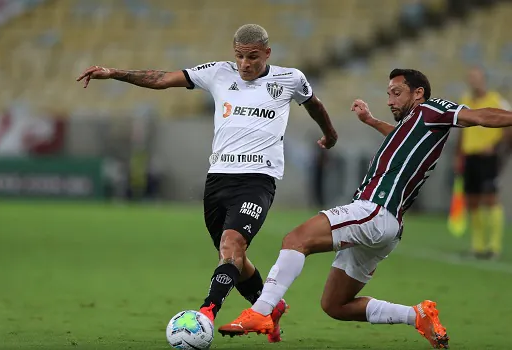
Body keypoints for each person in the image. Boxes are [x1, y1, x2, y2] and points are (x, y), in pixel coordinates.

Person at [76, 24, 338, 343]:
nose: (244, 64)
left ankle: (205, 314)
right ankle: (271, 308)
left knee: (231, 246)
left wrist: (330, 133)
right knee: (234, 260)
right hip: (217, 182)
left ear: (267, 54)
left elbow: (314, 103)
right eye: (239, 56)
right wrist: (114, 72)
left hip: (258, 181)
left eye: (252, 57)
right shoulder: (218, 72)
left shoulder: (290, 79)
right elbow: (162, 79)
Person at [218, 68, 512, 349]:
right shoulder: (414, 126)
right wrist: (371, 121)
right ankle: (417, 316)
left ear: (419, 93)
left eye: (397, 93)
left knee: (296, 240)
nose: (390, 100)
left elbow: (480, 116)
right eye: (388, 93)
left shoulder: (433, 109)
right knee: (335, 305)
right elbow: (397, 139)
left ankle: (261, 310)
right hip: (387, 225)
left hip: (375, 209)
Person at [455, 66, 511, 259]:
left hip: (488, 158)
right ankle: (477, 247)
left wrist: (496, 148)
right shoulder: (466, 100)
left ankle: (494, 247)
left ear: (484, 80)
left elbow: (508, 127)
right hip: (470, 157)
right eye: (471, 78)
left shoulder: (496, 100)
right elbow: (461, 129)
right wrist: (459, 155)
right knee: (473, 201)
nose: (473, 81)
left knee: (491, 199)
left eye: (477, 78)